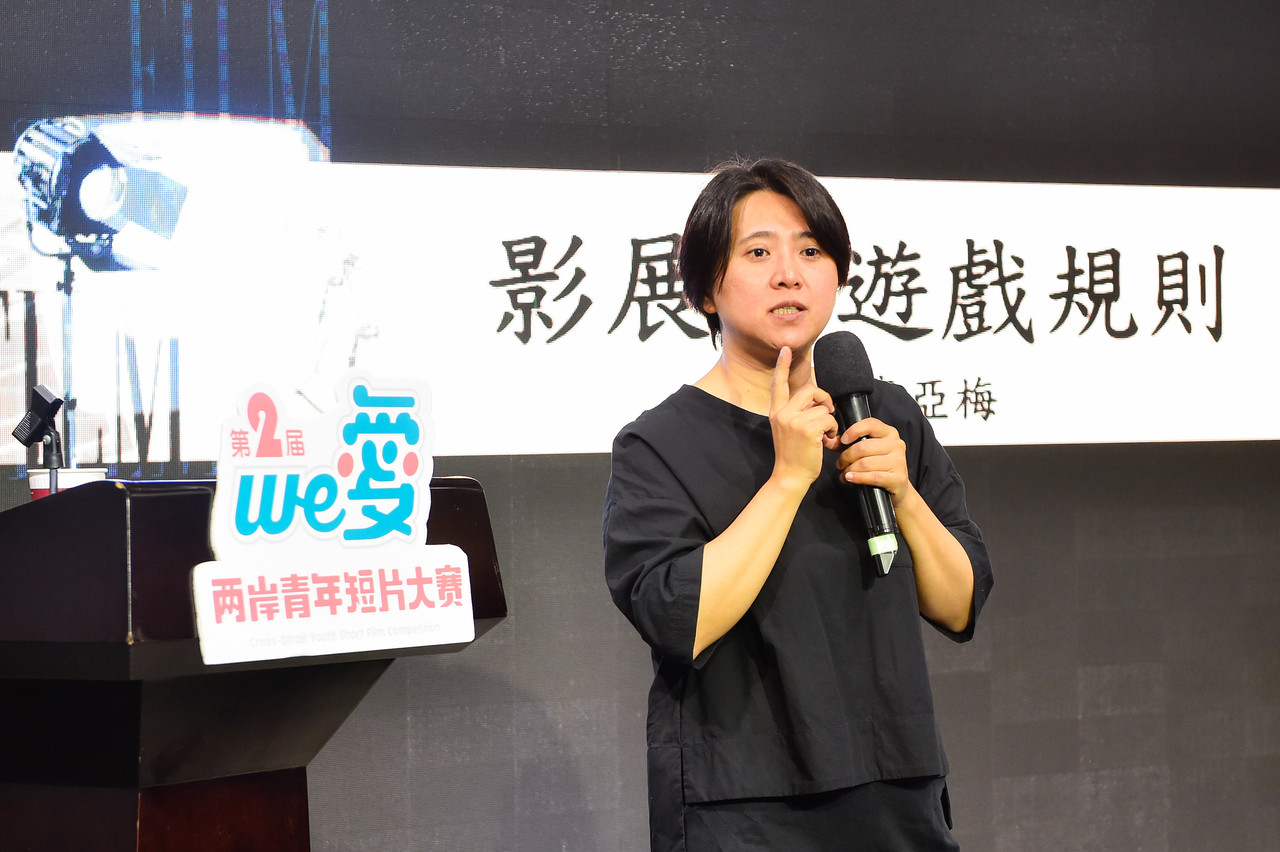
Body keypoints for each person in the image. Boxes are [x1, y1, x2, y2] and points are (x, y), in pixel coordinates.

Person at [602, 158, 994, 851]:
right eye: (758, 253)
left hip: (895, 791)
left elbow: (960, 604)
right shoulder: (658, 444)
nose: (790, 274)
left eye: (811, 251)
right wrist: (786, 481)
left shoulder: (884, 413)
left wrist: (903, 494)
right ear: (706, 289)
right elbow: (679, 621)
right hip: (745, 806)